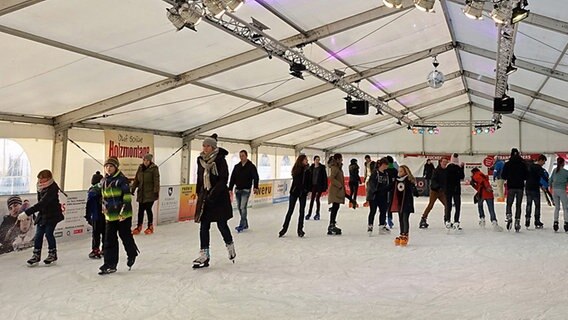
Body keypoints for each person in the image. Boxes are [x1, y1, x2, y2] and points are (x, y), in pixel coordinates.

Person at [193, 134, 236, 268]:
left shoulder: (220, 160)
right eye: (204, 145)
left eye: (208, 146)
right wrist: (198, 192)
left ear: (213, 147)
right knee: (204, 225)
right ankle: (204, 255)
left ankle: (230, 246)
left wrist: (214, 192)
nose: (205, 148)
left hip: (219, 198)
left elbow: (224, 179)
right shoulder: (200, 160)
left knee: (221, 224)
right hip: (205, 197)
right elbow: (200, 177)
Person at [99, 157, 139, 275]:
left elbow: (126, 197)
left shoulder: (121, 180)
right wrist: (104, 209)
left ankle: (132, 253)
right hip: (110, 215)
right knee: (109, 240)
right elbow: (104, 198)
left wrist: (123, 212)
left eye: (111, 166)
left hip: (123, 215)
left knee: (125, 236)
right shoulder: (103, 181)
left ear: (116, 167)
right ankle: (110, 264)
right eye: (106, 166)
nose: (108, 168)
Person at [18, 170, 64, 267]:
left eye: (43, 179)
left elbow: (43, 203)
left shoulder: (52, 188)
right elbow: (40, 203)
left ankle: (52, 254)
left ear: (48, 178)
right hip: (43, 215)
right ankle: (36, 255)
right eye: (39, 179)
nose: (40, 181)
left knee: (48, 233)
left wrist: (27, 212)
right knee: (38, 235)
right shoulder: (40, 187)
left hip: (53, 215)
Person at [279, 154, 310, 238]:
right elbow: (297, 182)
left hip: (303, 193)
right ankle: (284, 229)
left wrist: (307, 190)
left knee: (302, 211)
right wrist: (302, 189)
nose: (306, 161)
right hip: (295, 192)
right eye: (305, 159)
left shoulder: (308, 169)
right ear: (301, 160)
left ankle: (300, 229)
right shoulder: (296, 169)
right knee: (290, 211)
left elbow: (308, 181)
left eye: (306, 159)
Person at [229, 150, 259, 232]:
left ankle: (242, 224)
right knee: (239, 207)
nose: (241, 157)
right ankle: (245, 224)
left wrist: (255, 187)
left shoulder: (251, 166)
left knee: (243, 207)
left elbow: (255, 177)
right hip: (238, 189)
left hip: (246, 189)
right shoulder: (237, 166)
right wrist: (230, 188)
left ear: (246, 156)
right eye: (240, 156)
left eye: (243, 155)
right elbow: (232, 178)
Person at [131, 153, 160, 235]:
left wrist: (156, 191)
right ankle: (139, 226)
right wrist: (133, 189)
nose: (145, 162)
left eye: (147, 160)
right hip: (141, 193)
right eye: (144, 160)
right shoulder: (140, 168)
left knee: (148, 209)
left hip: (150, 193)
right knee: (140, 210)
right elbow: (136, 179)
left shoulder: (154, 168)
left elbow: (156, 180)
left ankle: (150, 226)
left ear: (150, 161)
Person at [389, 165, 418, 246]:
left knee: (405, 218)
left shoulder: (408, 181)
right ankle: (401, 233)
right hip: (399, 202)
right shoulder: (397, 181)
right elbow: (390, 188)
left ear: (405, 172)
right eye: (399, 171)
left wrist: (414, 187)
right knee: (400, 218)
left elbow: (415, 192)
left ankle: (405, 234)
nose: (399, 173)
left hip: (407, 203)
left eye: (401, 171)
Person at [501, 148, 528, 232]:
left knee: (509, 203)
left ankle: (509, 215)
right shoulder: (523, 164)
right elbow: (526, 176)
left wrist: (509, 177)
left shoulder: (507, 164)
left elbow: (503, 175)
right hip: (520, 186)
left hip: (511, 186)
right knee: (518, 205)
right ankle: (517, 221)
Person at [419, 158, 448, 229]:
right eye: (444, 162)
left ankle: (447, 219)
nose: (445, 163)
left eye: (446, 162)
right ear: (440, 162)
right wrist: (438, 187)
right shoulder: (436, 170)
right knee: (430, 205)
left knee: (447, 205)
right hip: (434, 191)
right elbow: (433, 181)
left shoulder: (447, 171)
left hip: (442, 192)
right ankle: (423, 219)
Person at [367, 158, 392, 235]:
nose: (387, 166)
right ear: (383, 164)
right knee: (373, 211)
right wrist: (376, 191)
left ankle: (382, 226)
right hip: (374, 196)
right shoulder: (375, 173)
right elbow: (371, 184)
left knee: (383, 211)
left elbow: (387, 184)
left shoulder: (386, 174)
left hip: (383, 196)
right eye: (386, 165)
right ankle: (370, 227)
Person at [85, 171, 105, 259]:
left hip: (96, 216)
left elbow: (89, 205)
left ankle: (95, 249)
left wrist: (88, 216)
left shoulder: (92, 191)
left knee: (96, 234)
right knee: (105, 233)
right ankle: (105, 249)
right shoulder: (105, 190)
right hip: (105, 215)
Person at [327, 153, 348, 235]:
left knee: (336, 207)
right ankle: (331, 224)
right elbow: (331, 178)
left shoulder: (338, 167)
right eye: (341, 159)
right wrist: (339, 186)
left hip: (337, 191)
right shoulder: (335, 168)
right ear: (337, 159)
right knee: (335, 207)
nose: (342, 160)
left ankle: (332, 224)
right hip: (335, 191)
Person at [525, 155, 547, 229]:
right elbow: (543, 177)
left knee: (529, 204)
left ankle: (527, 219)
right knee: (537, 206)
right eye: (544, 162)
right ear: (541, 160)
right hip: (534, 188)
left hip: (528, 187)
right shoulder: (539, 168)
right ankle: (537, 221)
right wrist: (544, 184)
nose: (543, 163)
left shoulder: (529, 166)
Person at [444, 154, 465, 230]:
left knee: (448, 206)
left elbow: (445, 179)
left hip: (448, 190)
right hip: (456, 189)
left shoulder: (447, 168)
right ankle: (456, 221)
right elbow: (462, 177)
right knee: (457, 206)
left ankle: (448, 221)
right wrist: (462, 168)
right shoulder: (458, 168)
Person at [305, 155, 327, 220]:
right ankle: (309, 213)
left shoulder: (322, 168)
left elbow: (324, 177)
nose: (317, 161)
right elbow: (309, 177)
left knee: (317, 199)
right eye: (316, 159)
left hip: (319, 185)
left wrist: (325, 186)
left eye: (318, 159)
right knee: (312, 199)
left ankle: (317, 213)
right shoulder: (311, 168)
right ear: (314, 160)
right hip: (313, 185)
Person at [550, 157, 568, 232]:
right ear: (563, 163)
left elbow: (550, 180)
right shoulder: (566, 172)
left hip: (555, 190)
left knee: (557, 207)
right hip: (562, 190)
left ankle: (555, 222)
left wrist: (550, 187)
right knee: (565, 207)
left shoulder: (554, 170)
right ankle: (566, 223)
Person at [385, 156, 398, 228]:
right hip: (392, 190)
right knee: (389, 205)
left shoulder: (385, 170)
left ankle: (385, 220)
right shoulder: (395, 170)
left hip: (386, 190)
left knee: (385, 205)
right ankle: (389, 219)